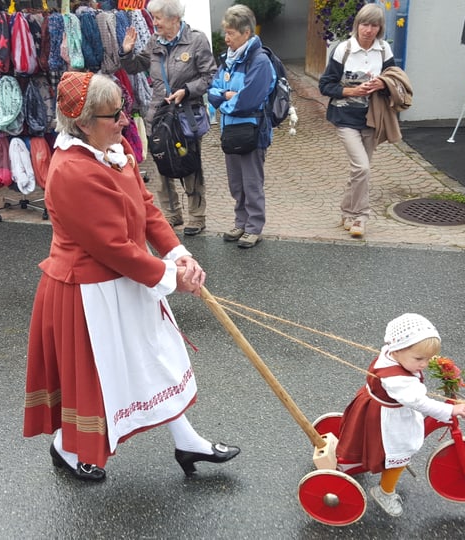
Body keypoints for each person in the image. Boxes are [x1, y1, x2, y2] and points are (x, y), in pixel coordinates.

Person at [22, 71, 240, 482]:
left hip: (131, 278)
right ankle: (67, 448)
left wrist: (180, 255)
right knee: (99, 378)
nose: (125, 120)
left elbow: (147, 208)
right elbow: (111, 247)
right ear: (83, 123)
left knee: (157, 358)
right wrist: (172, 278)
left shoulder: (114, 147)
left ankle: (187, 441)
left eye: (124, 110)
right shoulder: (70, 171)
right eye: (114, 114)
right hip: (89, 293)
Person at [334, 313, 465, 517]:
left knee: (365, 436)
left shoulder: (391, 352)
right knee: (401, 453)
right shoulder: (398, 380)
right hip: (389, 419)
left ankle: (351, 460)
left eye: (428, 359)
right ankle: (384, 492)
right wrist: (450, 410)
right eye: (419, 359)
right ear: (397, 351)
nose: (424, 364)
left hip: (373, 406)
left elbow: (415, 362)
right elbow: (418, 401)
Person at [120, 0, 217, 237]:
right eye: (153, 19)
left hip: (185, 115)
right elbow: (135, 67)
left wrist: (187, 89)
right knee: (163, 164)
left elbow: (210, 76)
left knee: (189, 164)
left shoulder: (196, 40)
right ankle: (171, 214)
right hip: (159, 116)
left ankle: (196, 216)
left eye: (158, 18)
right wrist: (127, 51)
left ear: (174, 18)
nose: (155, 23)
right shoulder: (154, 42)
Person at [318, 3, 396, 239]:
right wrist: (353, 91)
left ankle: (347, 212)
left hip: (372, 118)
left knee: (359, 171)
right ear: (357, 25)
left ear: (380, 28)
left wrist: (382, 84)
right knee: (362, 167)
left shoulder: (384, 51)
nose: (369, 30)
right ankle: (361, 217)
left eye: (374, 25)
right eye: (365, 24)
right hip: (345, 117)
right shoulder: (344, 49)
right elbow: (325, 86)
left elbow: (395, 80)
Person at [207, 4, 275, 249]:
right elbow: (212, 92)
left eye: (231, 33)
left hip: (252, 131)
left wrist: (225, 99)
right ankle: (241, 222)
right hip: (231, 131)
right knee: (236, 182)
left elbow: (248, 100)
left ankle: (254, 227)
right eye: (226, 32)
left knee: (252, 182)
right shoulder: (228, 59)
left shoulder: (260, 61)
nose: (226, 38)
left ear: (246, 33)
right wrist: (227, 96)